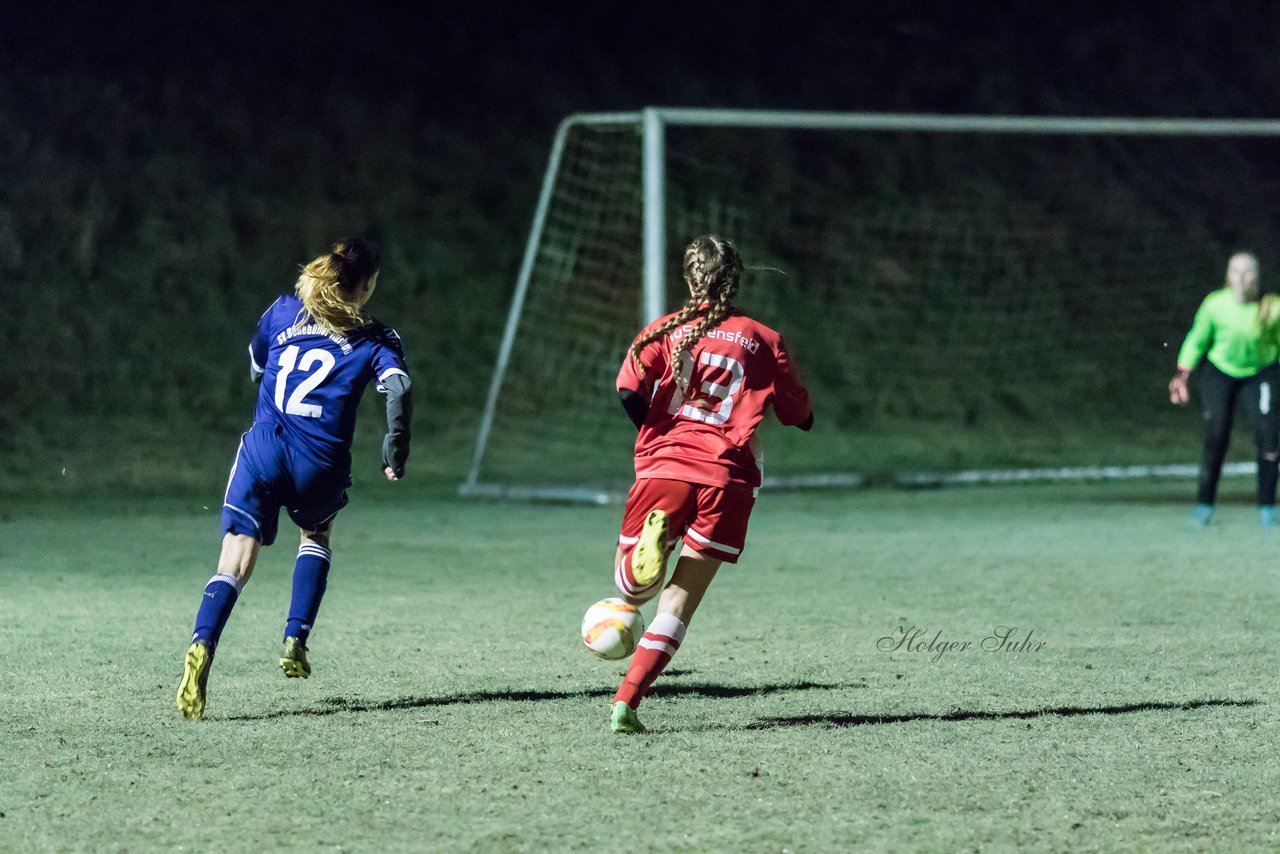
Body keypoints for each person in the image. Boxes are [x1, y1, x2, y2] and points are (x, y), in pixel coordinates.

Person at [176, 237, 412, 720]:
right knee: (316, 535)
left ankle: (201, 644)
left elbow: (257, 363)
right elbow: (398, 387)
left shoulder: (283, 311)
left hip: (264, 451)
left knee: (235, 561)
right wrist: (396, 444)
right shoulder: (377, 337)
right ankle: (295, 637)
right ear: (367, 285)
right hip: (318, 463)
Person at [605, 235, 813, 734]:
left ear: (688, 278)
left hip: (664, 466)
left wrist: (656, 431)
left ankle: (649, 550)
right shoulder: (764, 337)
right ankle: (626, 704)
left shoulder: (664, 330)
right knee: (678, 602)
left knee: (629, 585)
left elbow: (627, 388)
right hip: (728, 476)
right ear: (736, 279)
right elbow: (798, 414)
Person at [1170, 251, 1279, 526]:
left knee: (1269, 437)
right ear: (1228, 276)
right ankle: (1205, 505)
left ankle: (1267, 509)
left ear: (1257, 276)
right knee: (1216, 435)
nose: (1242, 277)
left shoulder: (1272, 306)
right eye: (1235, 271)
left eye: (1248, 271)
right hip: (1220, 373)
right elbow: (1198, 338)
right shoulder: (1215, 305)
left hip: (1261, 373)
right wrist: (1182, 375)